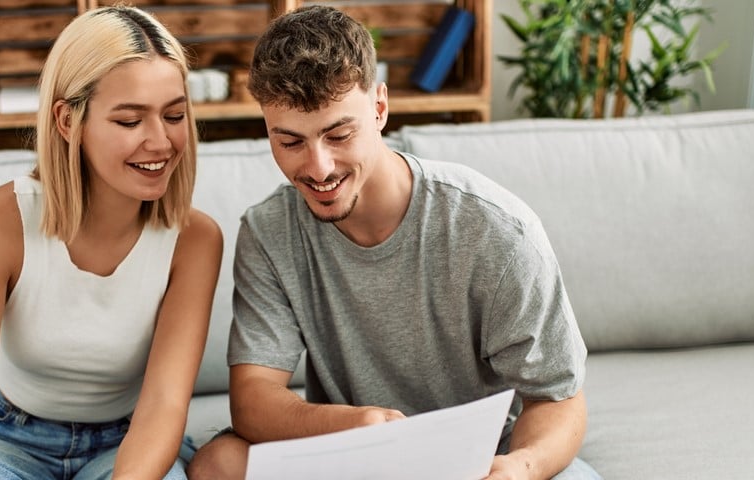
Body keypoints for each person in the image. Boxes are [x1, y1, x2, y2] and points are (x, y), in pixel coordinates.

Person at [186, 5, 598, 480]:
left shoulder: (495, 230)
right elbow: (254, 401)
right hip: (349, 453)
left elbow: (557, 397)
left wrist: (518, 468)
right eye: (290, 142)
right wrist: (356, 425)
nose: (318, 169)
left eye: (338, 134)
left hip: (477, 461)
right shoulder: (269, 232)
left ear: (380, 108)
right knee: (218, 464)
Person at [0, 6, 223, 480]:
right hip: (7, 437)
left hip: (128, 441)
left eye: (174, 115)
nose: (161, 142)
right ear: (67, 121)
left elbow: (162, 407)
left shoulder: (195, 242)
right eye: (129, 121)